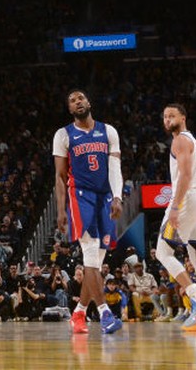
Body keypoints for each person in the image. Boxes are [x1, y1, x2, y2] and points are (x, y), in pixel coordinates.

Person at [52, 89, 124, 335]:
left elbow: (115, 167)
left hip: (105, 197)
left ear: (89, 102)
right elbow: (60, 177)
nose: (77, 102)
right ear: (70, 109)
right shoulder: (63, 135)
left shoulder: (108, 131)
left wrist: (117, 196)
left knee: (96, 262)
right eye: (72, 101)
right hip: (80, 196)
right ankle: (105, 313)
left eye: (80, 97)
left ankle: (79, 313)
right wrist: (60, 210)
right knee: (91, 255)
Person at [155, 102, 196, 331]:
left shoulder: (180, 139)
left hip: (188, 199)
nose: (167, 120)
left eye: (172, 115)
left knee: (163, 252)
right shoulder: (193, 141)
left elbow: (185, 174)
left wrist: (174, 207)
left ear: (183, 117)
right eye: (164, 117)